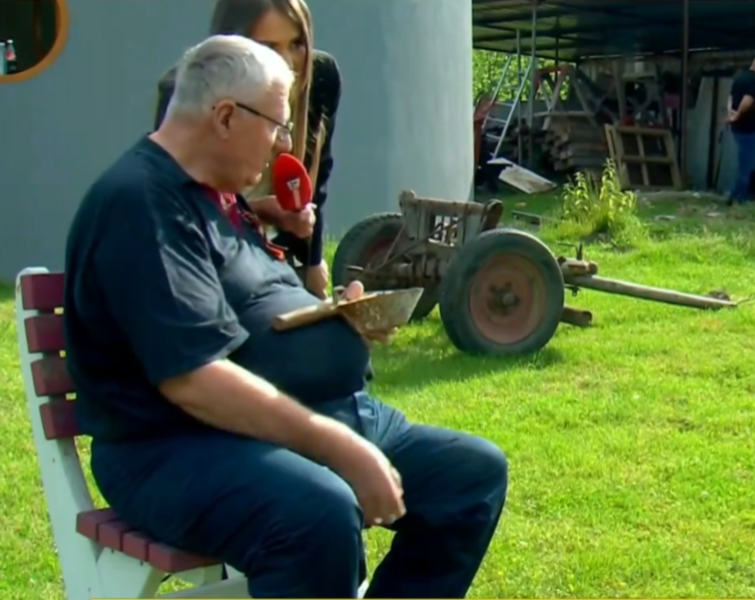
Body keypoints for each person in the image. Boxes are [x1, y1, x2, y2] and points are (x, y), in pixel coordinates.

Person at [63, 35, 508, 599]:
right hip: (172, 446)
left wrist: (335, 318)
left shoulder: (221, 200)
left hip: (311, 414)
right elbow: (192, 380)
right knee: (318, 513)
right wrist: (334, 444)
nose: (282, 144)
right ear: (226, 116)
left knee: (470, 476)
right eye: (276, 124)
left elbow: (257, 311)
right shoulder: (142, 204)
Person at [154, 0, 339, 299]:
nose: (287, 63)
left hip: (275, 254)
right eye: (268, 47)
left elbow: (316, 177)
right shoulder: (186, 91)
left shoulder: (321, 78)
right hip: (206, 258)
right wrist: (258, 212)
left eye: (296, 44)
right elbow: (177, 213)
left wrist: (312, 260)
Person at [725, 53, 755, 204]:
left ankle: (735, 194)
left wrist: (731, 112)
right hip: (749, 128)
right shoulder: (754, 81)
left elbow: (731, 97)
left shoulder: (739, 77)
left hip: (737, 128)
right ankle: (738, 196)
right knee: (748, 164)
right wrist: (738, 113)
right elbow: (748, 100)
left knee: (742, 162)